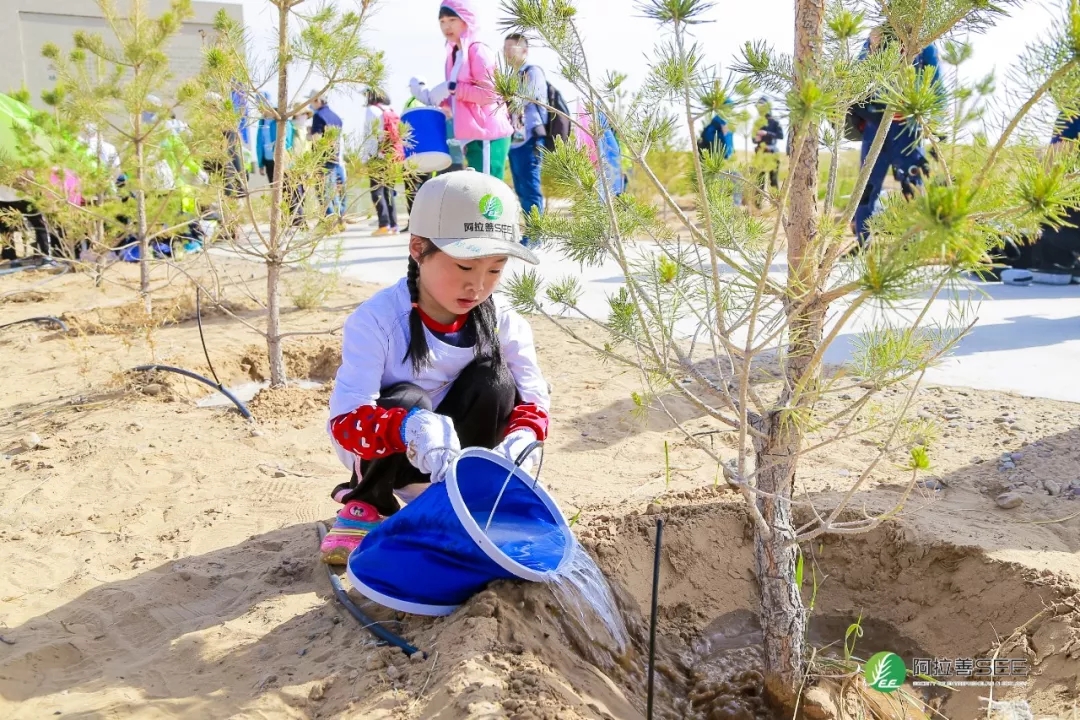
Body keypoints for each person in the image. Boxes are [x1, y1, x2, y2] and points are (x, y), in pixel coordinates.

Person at [320, 170, 551, 564]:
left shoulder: (503, 321)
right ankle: (368, 502)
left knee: (495, 378)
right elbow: (345, 423)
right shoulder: (377, 320)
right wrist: (409, 427)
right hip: (387, 457)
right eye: (464, 267)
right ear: (417, 248)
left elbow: (533, 396)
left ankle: (470, 496)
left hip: (456, 457)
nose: (478, 285)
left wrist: (523, 440)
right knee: (408, 398)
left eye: (494, 269)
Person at [851, 25, 943, 245]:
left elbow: (936, 82)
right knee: (867, 186)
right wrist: (872, 48)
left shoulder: (924, 42)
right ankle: (862, 242)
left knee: (912, 183)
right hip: (876, 124)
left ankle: (912, 242)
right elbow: (856, 75)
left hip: (908, 128)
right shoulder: (877, 38)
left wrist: (936, 122)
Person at [415, 1, 514, 180]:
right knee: (479, 196)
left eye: (452, 19)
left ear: (467, 20)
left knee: (487, 195)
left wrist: (453, 88)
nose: (447, 26)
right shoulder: (454, 55)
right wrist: (433, 96)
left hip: (488, 135)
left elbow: (491, 94)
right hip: (471, 137)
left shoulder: (478, 51)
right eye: (442, 21)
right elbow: (457, 97)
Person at [403, 77, 466, 231]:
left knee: (436, 193)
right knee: (442, 194)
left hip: (433, 157)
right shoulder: (447, 118)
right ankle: (439, 225)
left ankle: (433, 224)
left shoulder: (415, 104)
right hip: (440, 159)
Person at [504, 33, 548, 247]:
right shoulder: (509, 77)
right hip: (514, 141)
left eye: (511, 48)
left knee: (531, 186)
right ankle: (529, 233)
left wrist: (508, 95)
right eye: (504, 49)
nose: (506, 53)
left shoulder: (532, 72)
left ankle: (535, 235)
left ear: (524, 50)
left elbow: (531, 95)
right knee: (521, 187)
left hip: (530, 139)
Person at [360, 88, 402, 235]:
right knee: (389, 191)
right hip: (391, 156)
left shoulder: (371, 110)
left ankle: (384, 224)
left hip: (377, 156)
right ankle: (394, 225)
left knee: (377, 191)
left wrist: (366, 158)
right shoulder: (390, 109)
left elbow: (371, 135)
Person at [309, 92, 347, 224]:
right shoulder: (336, 117)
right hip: (335, 158)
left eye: (311, 101)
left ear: (318, 100)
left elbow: (317, 139)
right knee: (336, 190)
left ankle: (331, 220)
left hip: (323, 159)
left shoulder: (318, 116)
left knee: (324, 192)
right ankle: (340, 216)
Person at [752, 97, 784, 195]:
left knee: (773, 181)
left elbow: (781, 135)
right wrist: (756, 139)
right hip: (760, 154)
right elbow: (753, 139)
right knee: (759, 182)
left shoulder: (775, 122)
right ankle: (758, 207)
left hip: (772, 154)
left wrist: (766, 133)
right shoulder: (757, 123)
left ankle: (776, 207)